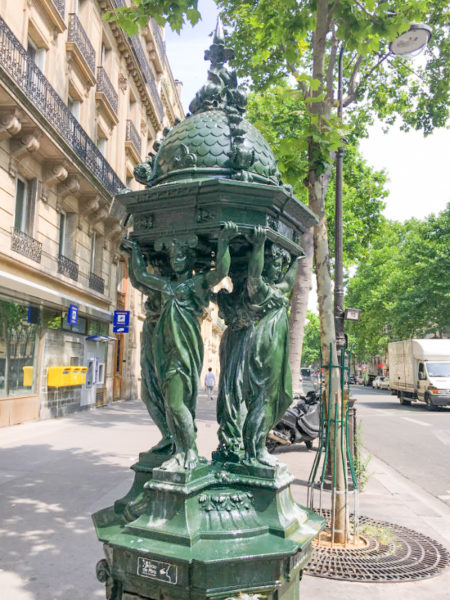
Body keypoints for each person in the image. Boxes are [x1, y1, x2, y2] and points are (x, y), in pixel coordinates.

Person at [120, 222, 237, 471]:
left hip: (183, 354)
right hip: (165, 351)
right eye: (174, 256)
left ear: (189, 258)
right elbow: (141, 277)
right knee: (157, 398)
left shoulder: (196, 285)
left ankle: (188, 452)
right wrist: (132, 254)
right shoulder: (169, 287)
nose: (176, 260)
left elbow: (220, 272)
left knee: (175, 403)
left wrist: (224, 241)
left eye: (182, 255)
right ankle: (174, 442)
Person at [243, 226, 299, 467]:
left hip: (277, 343)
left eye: (279, 263)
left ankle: (257, 445)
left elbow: (289, 280)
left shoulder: (278, 289)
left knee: (277, 396)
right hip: (266, 344)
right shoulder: (261, 289)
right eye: (273, 263)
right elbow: (253, 277)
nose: (278, 267)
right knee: (265, 397)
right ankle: (254, 450)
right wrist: (258, 246)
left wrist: (297, 258)